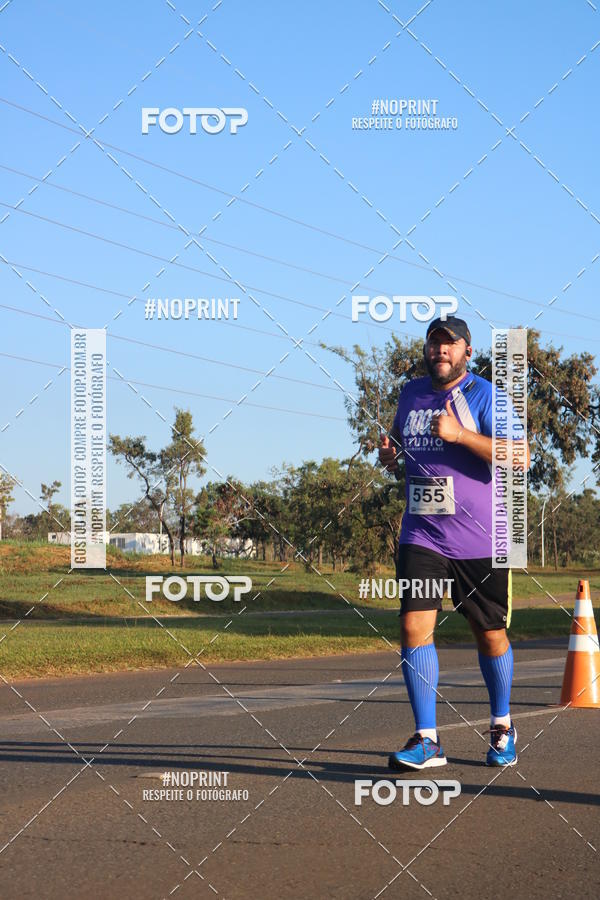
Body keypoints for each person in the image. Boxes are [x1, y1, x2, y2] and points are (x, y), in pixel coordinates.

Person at [379, 316, 529, 770]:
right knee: (412, 628)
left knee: (490, 635)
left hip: (480, 540)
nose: (440, 351)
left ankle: (502, 726)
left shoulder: (485, 395)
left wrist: (461, 435)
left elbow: (520, 456)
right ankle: (428, 741)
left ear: (466, 351)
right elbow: (404, 455)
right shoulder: (410, 395)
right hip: (423, 535)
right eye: (433, 344)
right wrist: (390, 457)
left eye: (450, 345)